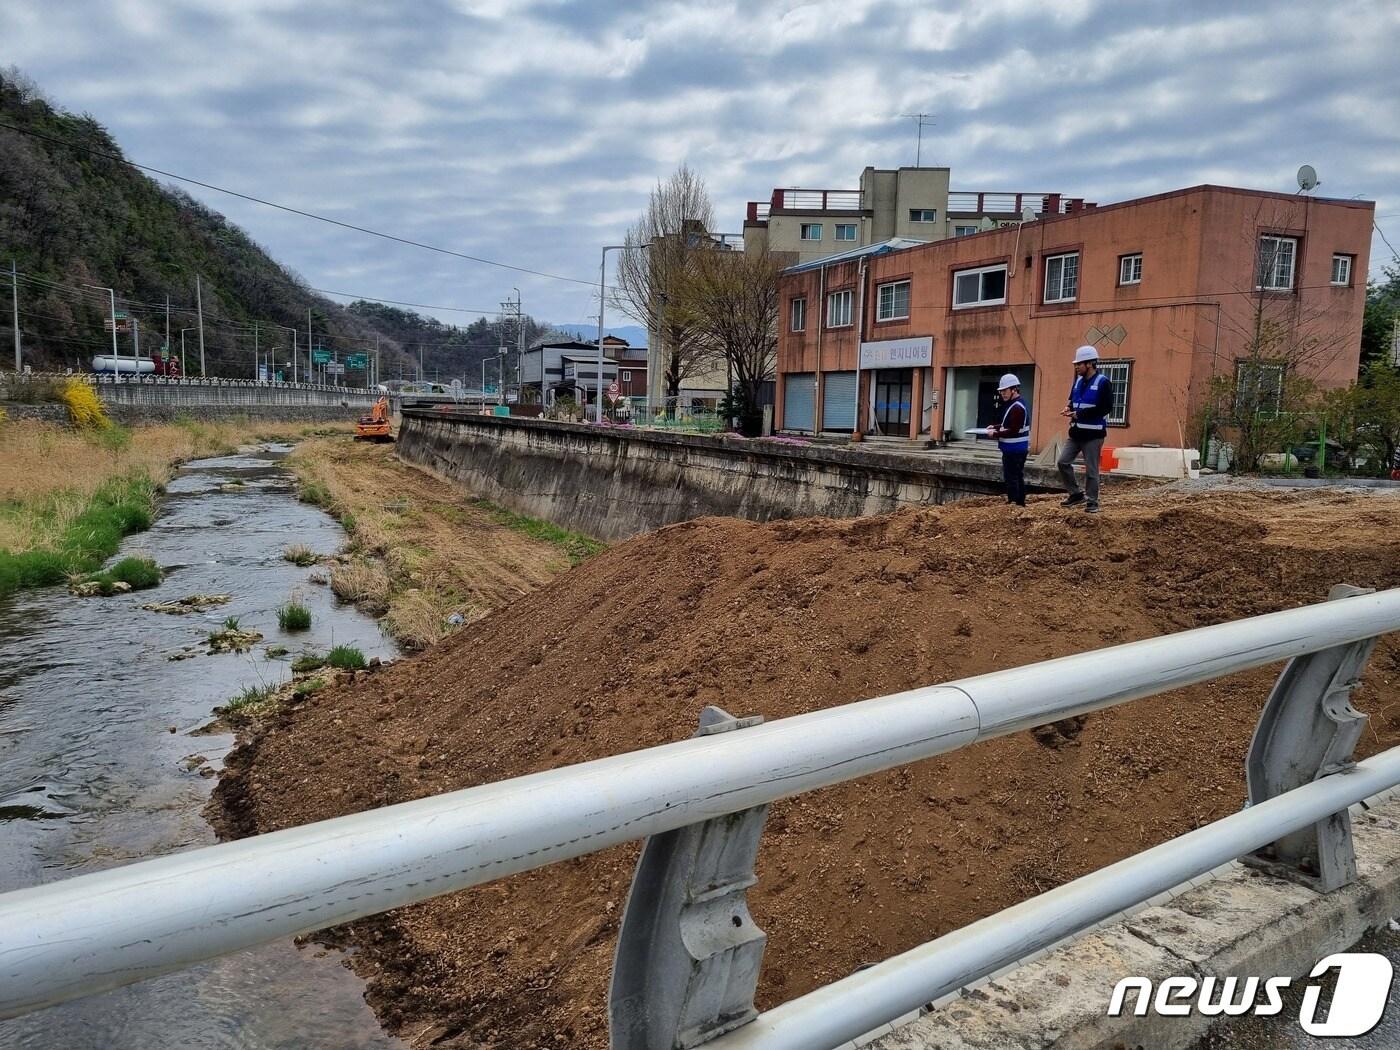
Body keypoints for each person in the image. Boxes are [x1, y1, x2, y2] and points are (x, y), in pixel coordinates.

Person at [1058, 345, 1113, 513]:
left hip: (1093, 434)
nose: (1076, 367)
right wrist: (1068, 408)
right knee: (1063, 462)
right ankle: (1076, 494)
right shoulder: (1078, 382)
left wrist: (1080, 414)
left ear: (1089, 364)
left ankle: (1092, 501)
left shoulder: (1103, 382)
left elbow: (1106, 407)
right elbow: (1073, 400)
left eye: (1079, 364)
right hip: (1076, 433)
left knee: (1091, 469)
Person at [985, 372, 1029, 506]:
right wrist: (996, 426)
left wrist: (995, 434)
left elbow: (1014, 430)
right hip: (1013, 449)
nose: (1002, 394)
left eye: (1005, 391)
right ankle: (1018, 501)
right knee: (1015, 476)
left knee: (1012, 477)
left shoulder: (1017, 407)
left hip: (1014, 450)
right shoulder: (1015, 404)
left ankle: (1015, 502)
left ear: (1014, 389)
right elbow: (1009, 424)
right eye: (1001, 391)